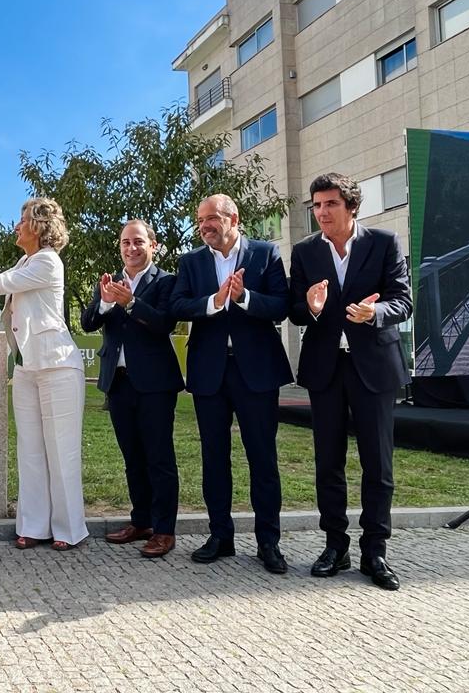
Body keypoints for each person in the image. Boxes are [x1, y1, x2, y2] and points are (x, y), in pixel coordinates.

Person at [289, 173, 412, 591]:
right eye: (317, 205)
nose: (321, 212)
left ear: (351, 206)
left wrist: (374, 314)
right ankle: (335, 546)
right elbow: (294, 310)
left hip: (374, 366)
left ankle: (374, 551)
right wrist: (311, 306)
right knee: (329, 462)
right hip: (326, 369)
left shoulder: (384, 242)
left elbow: (403, 300)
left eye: (330, 204)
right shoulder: (305, 251)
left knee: (378, 464)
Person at [0, 198, 88, 551]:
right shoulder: (26, 260)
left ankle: (69, 529)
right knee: (29, 449)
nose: (17, 226)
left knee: (62, 450)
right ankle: (34, 525)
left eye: (22, 220)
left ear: (39, 226)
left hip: (58, 365)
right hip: (27, 366)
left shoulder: (47, 261)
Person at [171, 194, 293, 574]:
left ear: (232, 218)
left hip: (255, 372)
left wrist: (243, 298)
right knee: (214, 458)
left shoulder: (264, 253)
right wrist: (213, 301)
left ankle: (268, 542)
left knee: (262, 458)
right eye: (200, 220)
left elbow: (281, 306)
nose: (204, 225)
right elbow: (178, 306)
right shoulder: (190, 261)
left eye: (211, 219)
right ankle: (220, 536)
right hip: (209, 373)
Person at [79, 220, 183, 557]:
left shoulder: (166, 281)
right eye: (125, 242)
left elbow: (165, 322)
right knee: (132, 458)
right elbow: (87, 321)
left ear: (153, 245)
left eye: (138, 242)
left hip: (155, 384)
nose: (131, 248)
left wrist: (132, 303)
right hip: (119, 383)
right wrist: (108, 302)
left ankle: (165, 530)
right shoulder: (110, 282)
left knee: (159, 458)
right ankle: (142, 522)